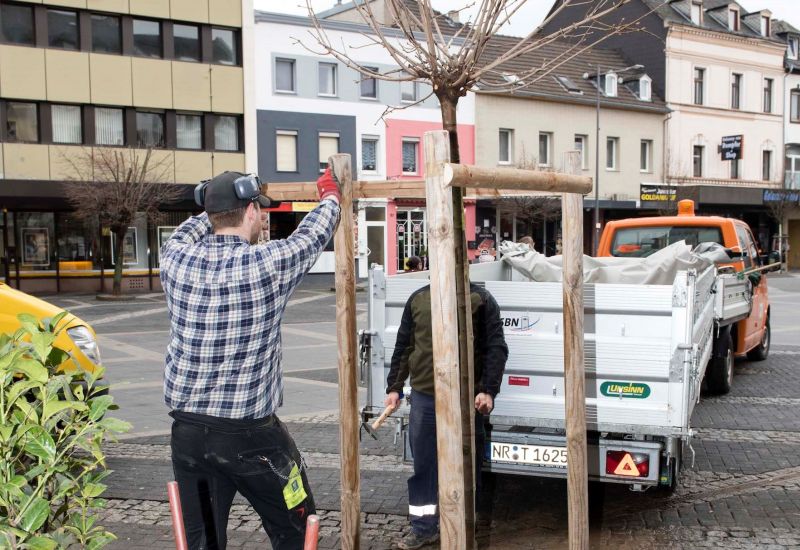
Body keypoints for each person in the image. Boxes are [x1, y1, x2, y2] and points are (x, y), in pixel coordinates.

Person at [160, 169, 341, 550]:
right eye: (260, 209)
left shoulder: (174, 258)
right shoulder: (267, 264)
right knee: (298, 524)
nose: (263, 216)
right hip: (251, 440)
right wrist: (330, 195)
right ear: (250, 211)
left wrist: (213, 202)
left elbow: (193, 228)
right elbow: (313, 236)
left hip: (189, 438)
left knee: (203, 541)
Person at [385, 283, 508, 549]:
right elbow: (405, 345)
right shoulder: (418, 298)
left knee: (467, 465)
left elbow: (495, 347)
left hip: (465, 399)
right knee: (424, 466)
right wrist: (394, 387)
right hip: (425, 397)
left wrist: (488, 390)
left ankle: (465, 529)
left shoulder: (480, 299)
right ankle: (423, 528)